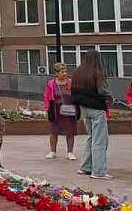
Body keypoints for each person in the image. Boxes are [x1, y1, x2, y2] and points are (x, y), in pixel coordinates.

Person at [72, 50, 113, 180]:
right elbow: (103, 91)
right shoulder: (98, 73)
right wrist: (111, 98)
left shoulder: (78, 72)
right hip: (97, 108)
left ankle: (86, 167)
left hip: (84, 108)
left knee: (91, 137)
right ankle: (98, 171)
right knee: (100, 140)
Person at [42, 63, 77, 160]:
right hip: (56, 110)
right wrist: (47, 108)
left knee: (70, 131)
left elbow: (76, 95)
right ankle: (53, 152)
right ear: (57, 73)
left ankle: (70, 152)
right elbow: (47, 96)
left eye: (66, 71)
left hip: (69, 110)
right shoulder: (51, 83)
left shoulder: (71, 82)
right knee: (54, 131)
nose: (65, 74)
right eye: (62, 72)